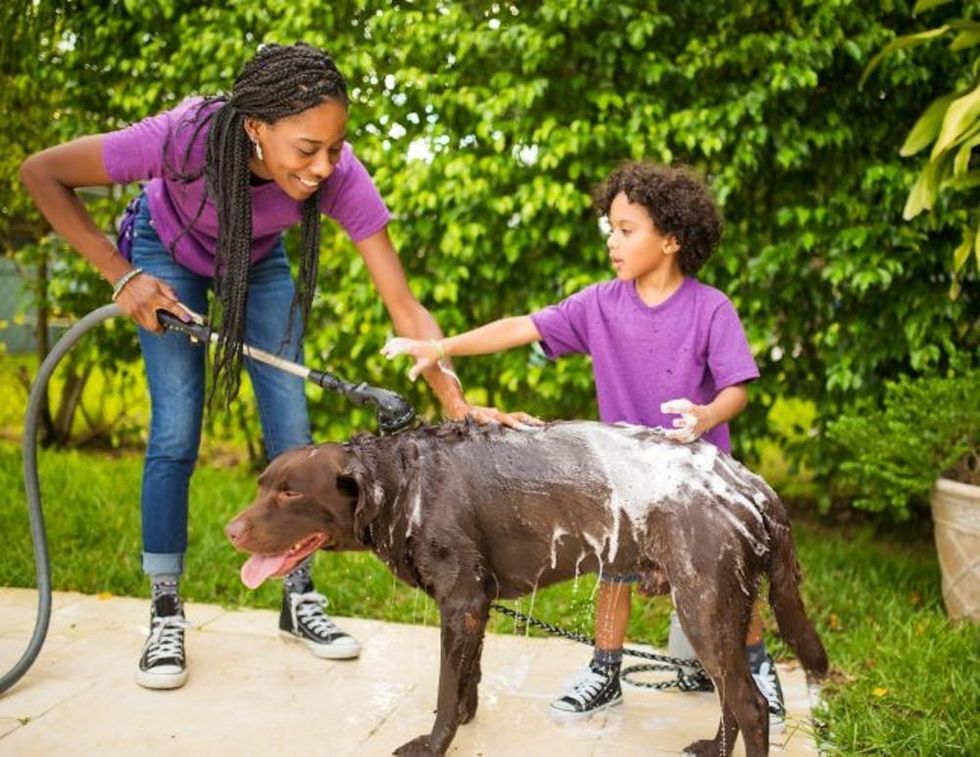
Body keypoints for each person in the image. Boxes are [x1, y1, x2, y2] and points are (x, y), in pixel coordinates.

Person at [19, 42, 520, 691]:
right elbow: (40, 172)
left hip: (256, 262)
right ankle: (166, 606)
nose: (324, 166)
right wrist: (123, 276)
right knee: (174, 431)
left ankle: (297, 595)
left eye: (335, 148)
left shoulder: (339, 174)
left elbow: (404, 304)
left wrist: (453, 399)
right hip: (162, 254)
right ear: (256, 127)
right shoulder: (185, 138)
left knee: (294, 428)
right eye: (307, 148)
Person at [382, 161, 787, 728]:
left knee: (720, 577)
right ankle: (605, 670)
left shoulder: (710, 308)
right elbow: (521, 326)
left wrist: (706, 414)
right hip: (622, 478)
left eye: (627, 230)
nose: (613, 242)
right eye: (611, 228)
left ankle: (756, 664)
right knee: (612, 569)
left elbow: (737, 387)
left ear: (671, 239)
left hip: (694, 477)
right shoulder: (599, 304)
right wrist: (441, 346)